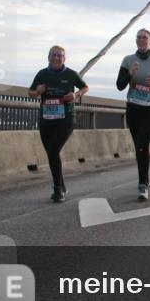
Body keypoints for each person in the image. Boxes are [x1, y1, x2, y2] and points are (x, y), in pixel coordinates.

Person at [116, 29, 150, 201]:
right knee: (139, 148)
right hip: (134, 107)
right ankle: (145, 181)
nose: (141, 40)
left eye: (145, 38)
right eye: (139, 37)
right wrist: (130, 74)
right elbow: (119, 85)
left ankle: (142, 184)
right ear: (136, 41)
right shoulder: (128, 60)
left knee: (142, 143)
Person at [28, 46, 89, 202]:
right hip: (46, 119)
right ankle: (61, 185)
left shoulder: (71, 74)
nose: (56, 58)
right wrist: (38, 91)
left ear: (64, 58)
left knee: (53, 150)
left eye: (60, 56)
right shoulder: (42, 74)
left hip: (65, 119)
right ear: (48, 57)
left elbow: (85, 87)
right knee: (51, 153)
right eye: (53, 55)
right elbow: (30, 92)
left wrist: (75, 94)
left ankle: (57, 190)